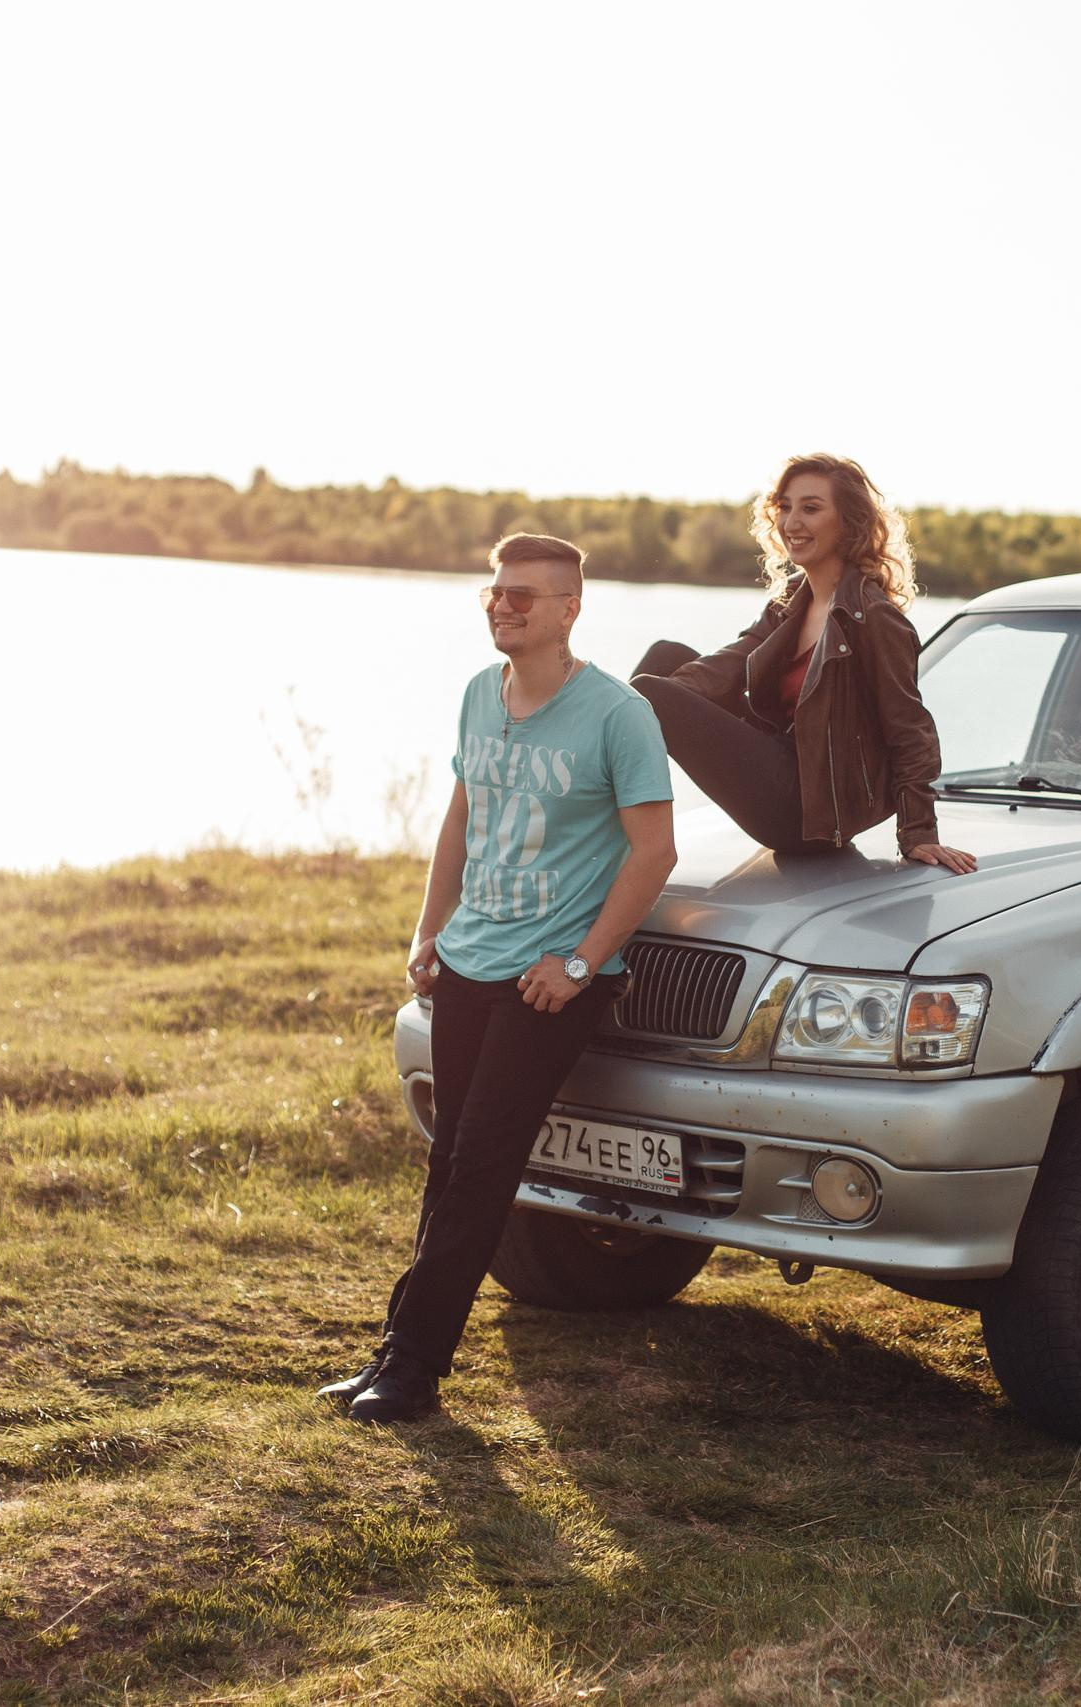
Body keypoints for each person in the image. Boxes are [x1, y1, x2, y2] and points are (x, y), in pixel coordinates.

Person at [323, 532, 677, 1424]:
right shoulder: (482, 694)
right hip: (469, 964)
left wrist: (581, 962)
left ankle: (411, 1368)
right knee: (448, 1161)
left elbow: (654, 851)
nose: (503, 605)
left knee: (481, 1164)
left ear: (570, 608)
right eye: (495, 592)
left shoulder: (617, 714)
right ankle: (399, 1349)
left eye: (524, 594)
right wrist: (428, 930)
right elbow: (460, 820)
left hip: (547, 980)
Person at [631, 453, 976, 873]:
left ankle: (606, 832)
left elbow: (910, 728)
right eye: (785, 507)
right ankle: (601, 809)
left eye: (811, 508)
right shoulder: (791, 601)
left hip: (806, 810)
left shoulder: (873, 617)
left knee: (647, 693)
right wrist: (614, 706)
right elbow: (727, 665)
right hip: (777, 759)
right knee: (663, 660)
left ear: (849, 522)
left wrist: (919, 833)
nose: (792, 522)